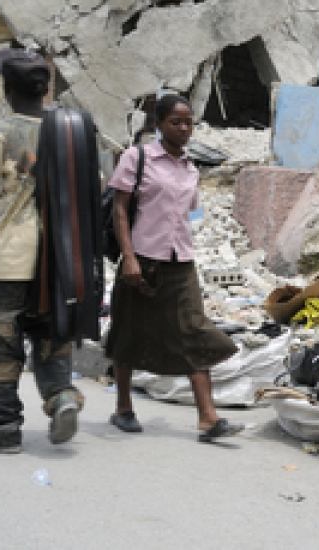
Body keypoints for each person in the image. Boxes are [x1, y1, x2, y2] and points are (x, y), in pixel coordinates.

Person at [105, 94, 244, 442]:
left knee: (193, 329)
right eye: (175, 122)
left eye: (188, 123)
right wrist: (130, 257)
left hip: (180, 262)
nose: (183, 129)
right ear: (158, 123)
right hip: (142, 259)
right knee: (129, 332)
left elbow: (186, 214)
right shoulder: (137, 158)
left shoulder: (192, 168)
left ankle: (208, 419)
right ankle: (123, 407)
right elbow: (119, 210)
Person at [0, 49, 84, 453]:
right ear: (45, 89)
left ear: (7, 87)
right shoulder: (73, 132)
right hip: (61, 260)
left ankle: (5, 427)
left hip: (12, 257)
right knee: (52, 336)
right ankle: (62, 397)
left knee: (3, 343)